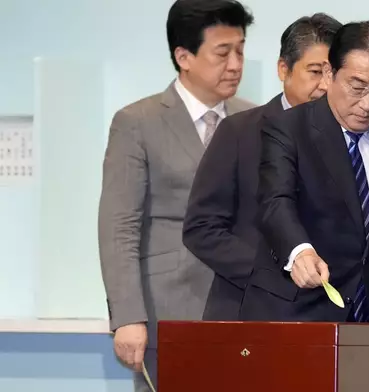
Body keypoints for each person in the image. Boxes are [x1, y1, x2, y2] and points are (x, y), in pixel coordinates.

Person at [98, 0, 254, 390]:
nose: (235, 64)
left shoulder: (254, 120)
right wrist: (127, 317)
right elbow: (119, 226)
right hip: (167, 309)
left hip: (244, 309)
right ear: (183, 56)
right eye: (222, 52)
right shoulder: (137, 122)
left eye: (240, 49)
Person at [238, 20, 369, 323]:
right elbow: (274, 200)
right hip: (297, 312)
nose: (368, 103)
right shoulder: (288, 128)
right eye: (357, 87)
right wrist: (299, 251)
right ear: (331, 74)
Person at [182, 13, 342, 321]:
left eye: (331, 73)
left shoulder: (347, 138)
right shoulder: (240, 132)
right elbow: (201, 229)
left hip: (327, 314)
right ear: (284, 69)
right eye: (314, 72)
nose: (324, 85)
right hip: (249, 310)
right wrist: (276, 271)